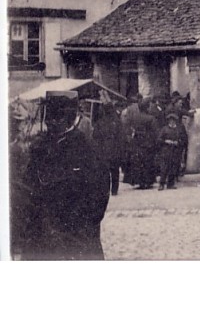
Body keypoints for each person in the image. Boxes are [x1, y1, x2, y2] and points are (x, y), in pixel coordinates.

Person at [10, 91, 110, 260]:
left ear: (70, 119)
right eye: (50, 118)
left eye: (58, 118)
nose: (52, 123)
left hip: (76, 235)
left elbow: (100, 192)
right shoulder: (39, 148)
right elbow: (28, 189)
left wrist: (82, 224)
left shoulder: (86, 148)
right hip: (42, 235)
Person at [93, 100, 126, 196]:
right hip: (115, 149)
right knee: (115, 170)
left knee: (105, 171)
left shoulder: (100, 122)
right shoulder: (116, 122)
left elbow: (95, 137)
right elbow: (121, 137)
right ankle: (114, 190)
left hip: (103, 149)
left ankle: (106, 189)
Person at [128, 97, 159, 188]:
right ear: (147, 107)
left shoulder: (135, 117)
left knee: (139, 162)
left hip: (137, 142)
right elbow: (155, 131)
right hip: (148, 142)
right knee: (148, 162)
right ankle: (148, 181)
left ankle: (140, 181)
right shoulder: (151, 118)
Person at [157, 112, 185, 190]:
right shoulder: (164, 129)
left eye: (173, 121)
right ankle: (161, 184)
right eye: (170, 121)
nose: (172, 122)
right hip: (166, 151)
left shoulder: (178, 130)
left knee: (173, 167)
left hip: (175, 151)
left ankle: (171, 183)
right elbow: (159, 139)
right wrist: (166, 141)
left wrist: (178, 142)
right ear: (168, 121)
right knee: (164, 168)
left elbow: (182, 140)